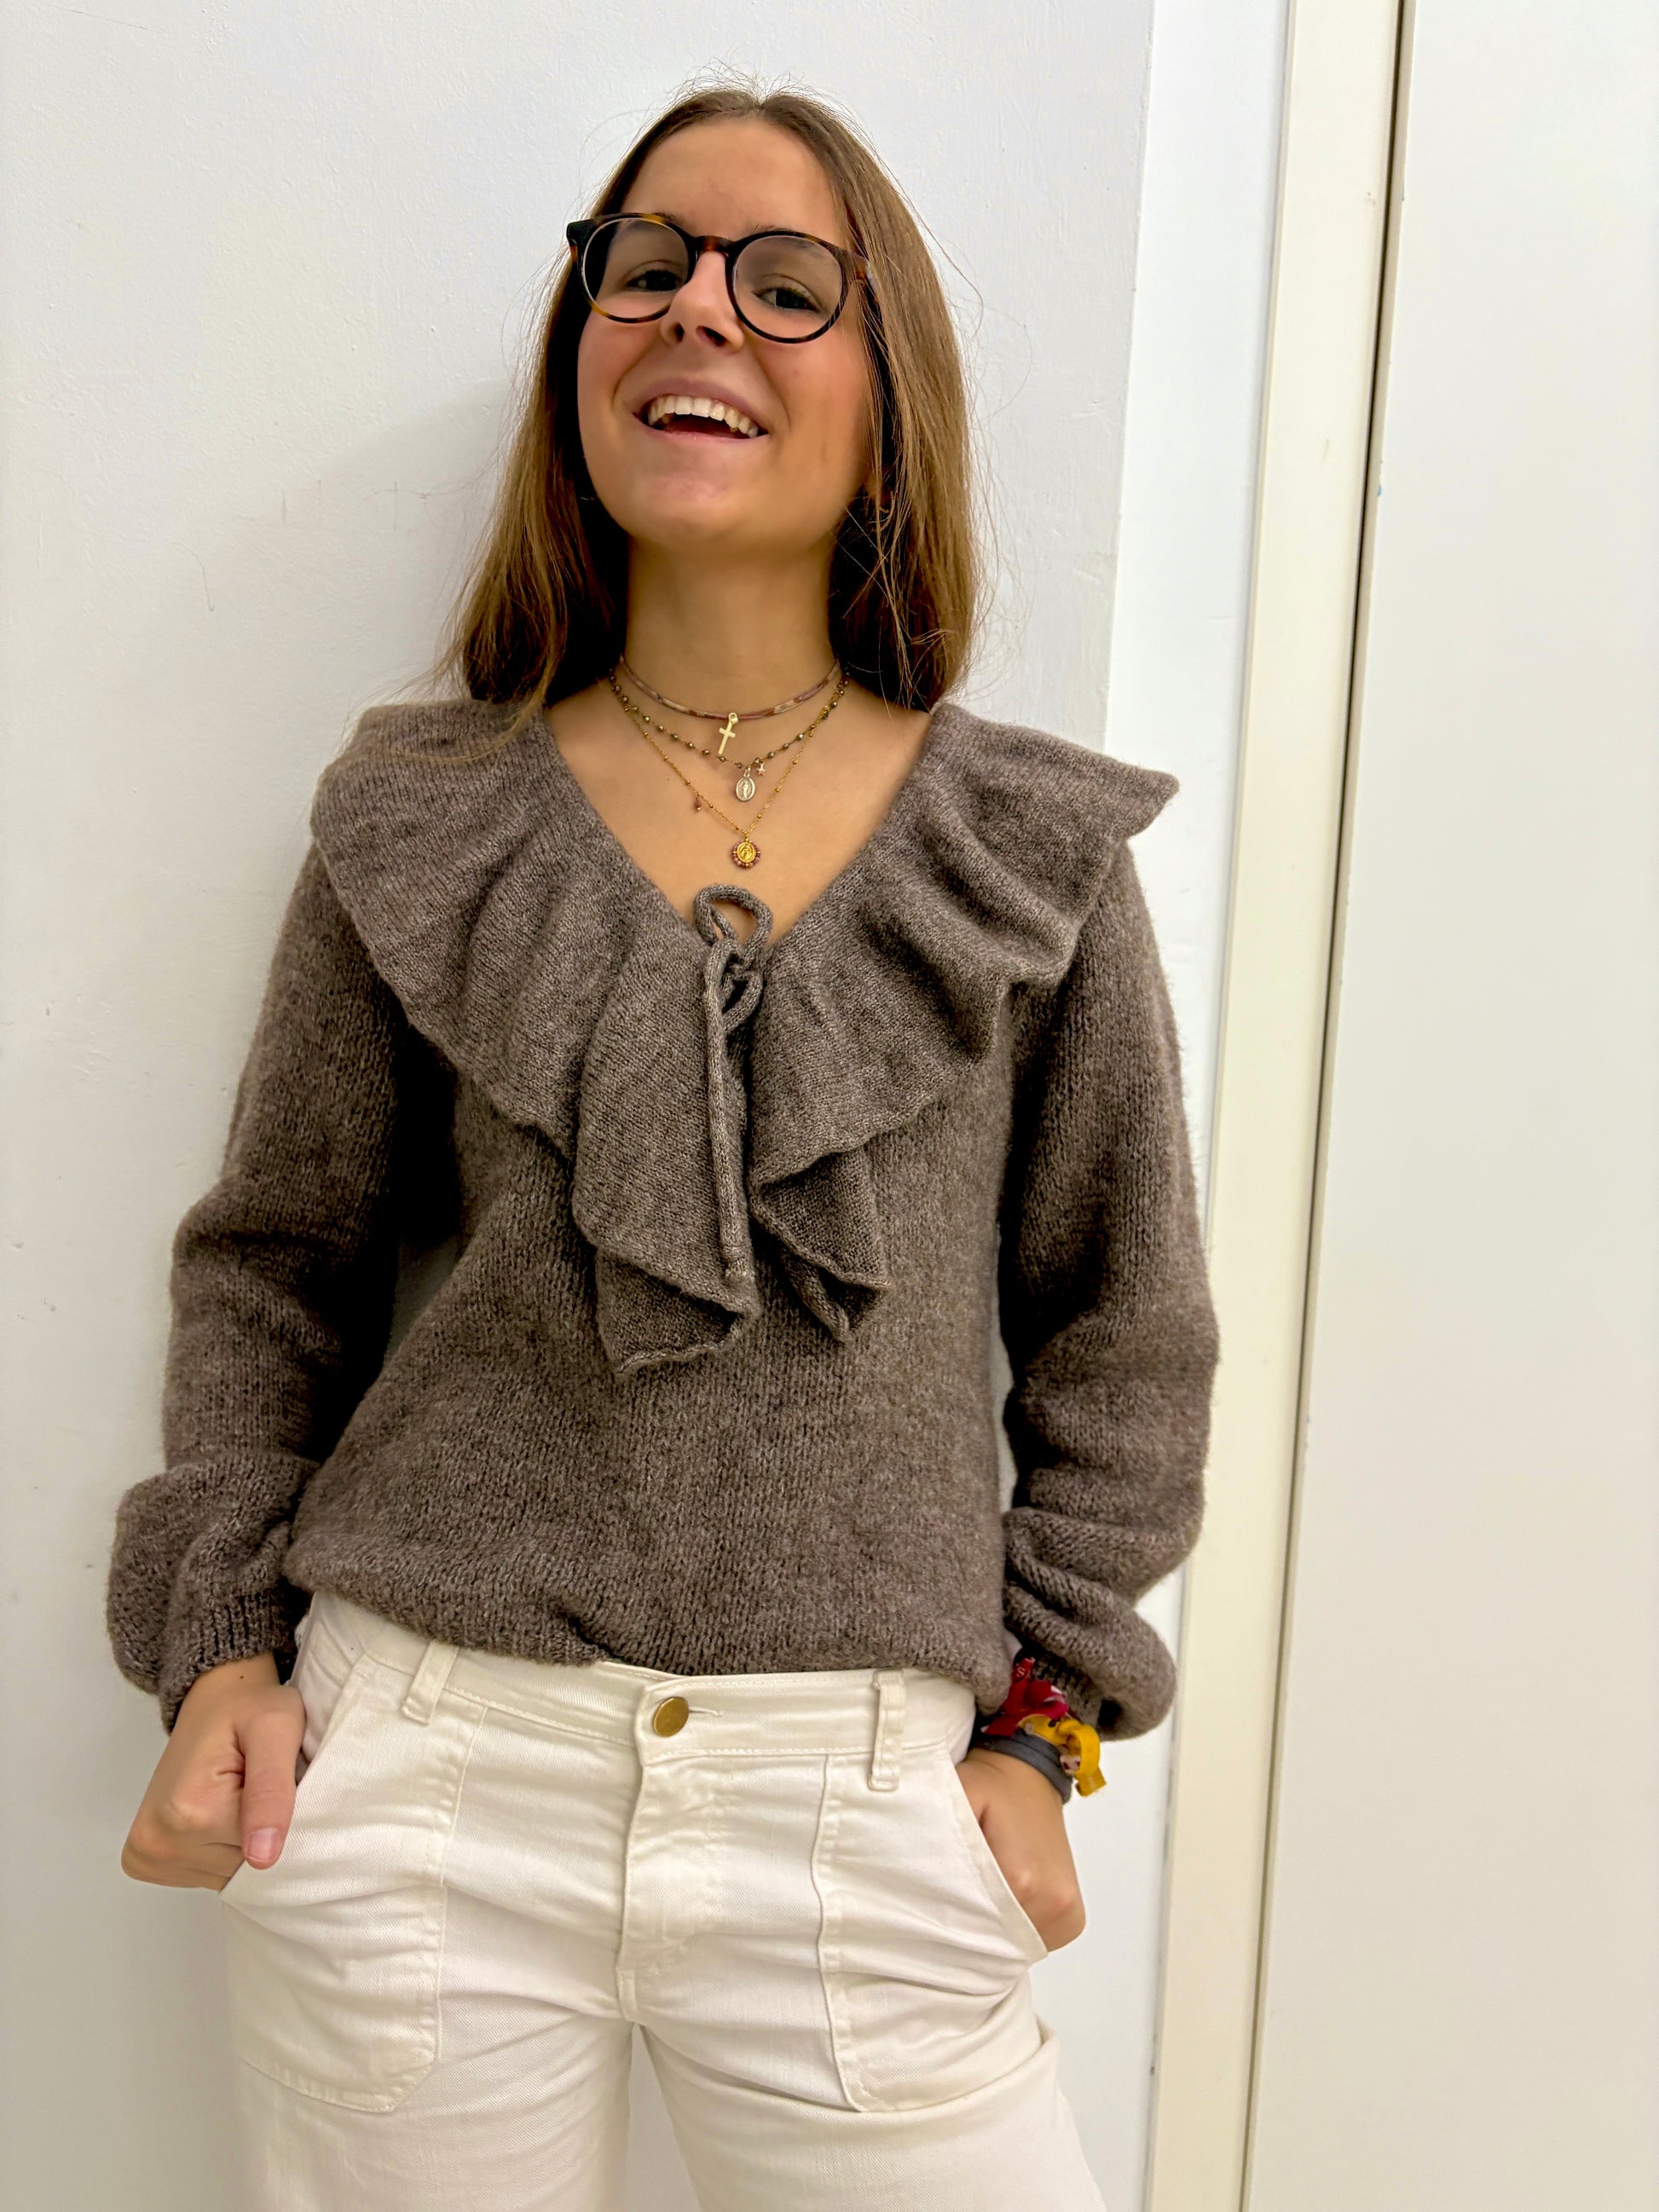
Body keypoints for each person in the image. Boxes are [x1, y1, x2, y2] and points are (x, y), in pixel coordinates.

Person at [104, 80, 1220, 2212]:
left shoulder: (1023, 853)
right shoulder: (421, 821)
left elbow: (1125, 1332)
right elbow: (274, 1263)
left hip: (862, 1813)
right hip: (423, 1783)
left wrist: (1041, 1727)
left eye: (784, 285)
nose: (697, 309)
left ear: (889, 391)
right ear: (582, 347)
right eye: (645, 265)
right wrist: (223, 1642)